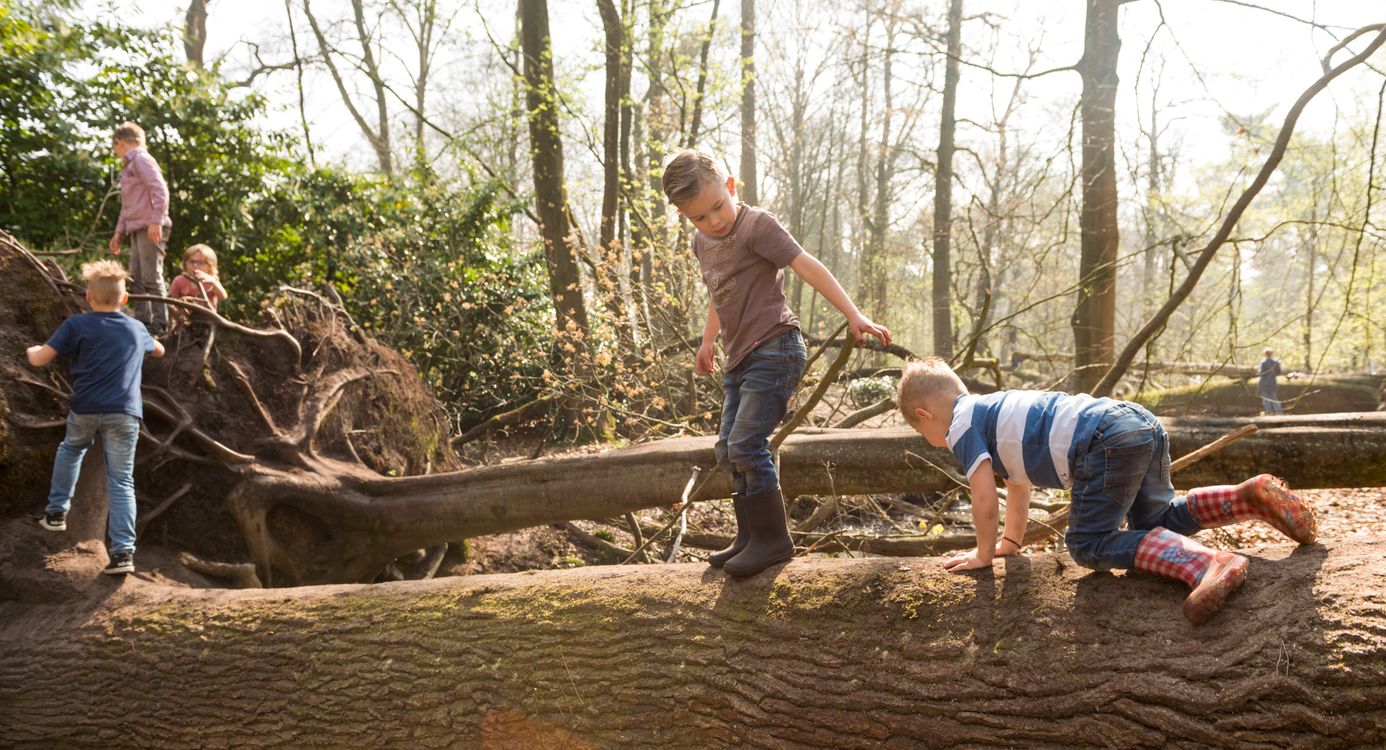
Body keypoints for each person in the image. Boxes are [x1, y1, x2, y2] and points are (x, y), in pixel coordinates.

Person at [896, 357, 1317, 625]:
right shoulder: (993, 411)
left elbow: (984, 496)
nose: (934, 440)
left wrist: (983, 555)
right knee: (1156, 520)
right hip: (1134, 420)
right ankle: (1247, 497)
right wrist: (1010, 541)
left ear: (924, 414)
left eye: (924, 432)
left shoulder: (961, 426)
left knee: (1088, 543)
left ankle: (1208, 564)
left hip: (1101, 440)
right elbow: (1016, 486)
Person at [662, 149, 891, 577]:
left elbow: (806, 264)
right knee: (728, 450)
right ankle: (749, 537)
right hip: (739, 358)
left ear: (730, 187)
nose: (714, 222)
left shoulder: (756, 226)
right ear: (684, 216)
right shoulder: (701, 242)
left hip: (776, 348)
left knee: (748, 443)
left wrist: (853, 315)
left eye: (717, 207)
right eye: (699, 217)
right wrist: (708, 340)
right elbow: (718, 292)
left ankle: (773, 541)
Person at [28, 260, 165, 575]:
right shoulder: (136, 328)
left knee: (71, 449)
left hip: (86, 408)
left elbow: (39, 360)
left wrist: (31, 350)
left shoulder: (77, 325)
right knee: (121, 480)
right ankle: (123, 554)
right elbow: (159, 351)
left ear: (88, 297)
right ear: (125, 299)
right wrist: (148, 342)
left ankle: (57, 513)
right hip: (124, 413)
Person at [109, 121, 172, 336]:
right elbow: (128, 205)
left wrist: (156, 221)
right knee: (135, 276)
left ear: (119, 142)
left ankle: (161, 325)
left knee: (151, 276)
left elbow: (160, 190)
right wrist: (119, 232)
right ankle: (143, 322)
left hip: (151, 226)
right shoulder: (128, 166)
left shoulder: (142, 159)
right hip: (136, 227)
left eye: (115, 147)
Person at [167, 243, 227, 327]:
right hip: (185, 321)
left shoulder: (212, 280)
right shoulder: (179, 280)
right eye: (192, 261)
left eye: (201, 262)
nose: (195, 265)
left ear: (210, 266)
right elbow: (173, 301)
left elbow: (223, 297)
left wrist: (213, 282)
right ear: (185, 263)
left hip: (207, 321)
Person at [1258, 347, 1284, 416]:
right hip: (1272, 383)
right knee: (1274, 399)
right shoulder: (1276, 363)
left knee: (1266, 400)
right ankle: (1279, 413)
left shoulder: (1263, 363)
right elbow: (1279, 372)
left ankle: (1270, 414)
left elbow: (1261, 373)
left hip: (1264, 384)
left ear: (1265, 354)